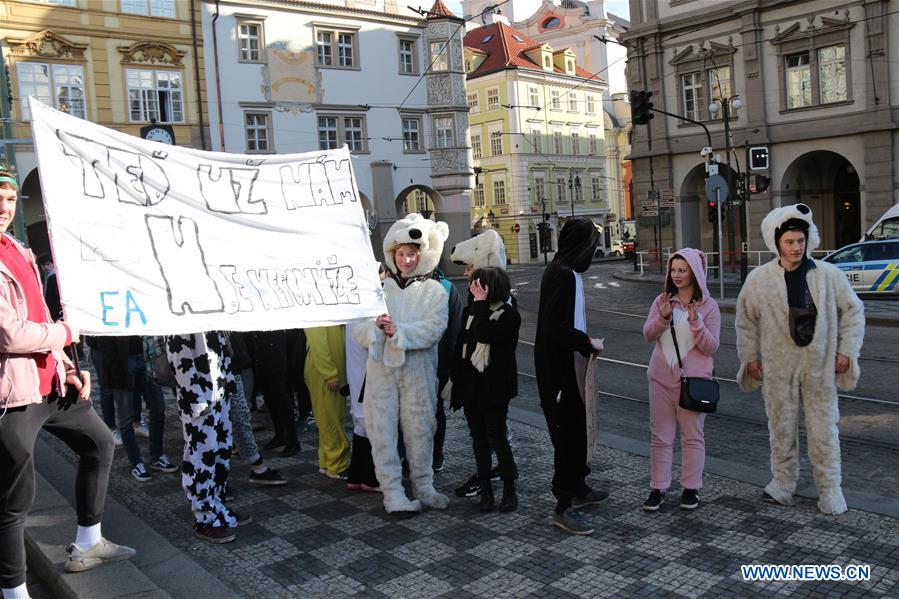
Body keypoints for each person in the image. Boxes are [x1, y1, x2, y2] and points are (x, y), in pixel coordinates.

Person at [0, 169, 135, 599]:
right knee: (14, 498)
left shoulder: (17, 248)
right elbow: (11, 334)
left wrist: (67, 364)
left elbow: (38, 317)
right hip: (12, 394)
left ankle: (89, 542)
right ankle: (15, 592)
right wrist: (64, 335)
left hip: (51, 382)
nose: (3, 209)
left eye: (9, 200)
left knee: (99, 443)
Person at [735, 203, 865, 515]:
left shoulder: (828, 275)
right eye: (789, 242)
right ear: (777, 242)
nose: (796, 247)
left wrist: (847, 350)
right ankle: (782, 483)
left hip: (818, 366)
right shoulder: (759, 279)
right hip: (779, 367)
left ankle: (830, 489)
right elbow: (745, 319)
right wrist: (750, 356)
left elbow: (854, 310)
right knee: (781, 426)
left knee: (824, 429)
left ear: (809, 240)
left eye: (800, 241)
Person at [353, 213, 450, 515]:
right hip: (381, 374)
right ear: (392, 254)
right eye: (401, 254)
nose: (406, 260)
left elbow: (436, 328)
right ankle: (392, 492)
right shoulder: (378, 290)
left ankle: (424, 486)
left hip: (418, 375)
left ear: (422, 255)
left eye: (411, 254)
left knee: (420, 429)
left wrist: (402, 332)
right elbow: (358, 330)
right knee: (381, 431)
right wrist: (375, 329)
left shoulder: (435, 291)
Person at [534, 217, 607, 535]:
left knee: (576, 429)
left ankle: (578, 486)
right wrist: (587, 343)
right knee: (566, 436)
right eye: (592, 244)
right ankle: (563, 505)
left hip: (570, 366)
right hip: (559, 371)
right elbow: (554, 326)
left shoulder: (568, 272)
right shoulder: (562, 275)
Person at [641, 249, 720, 511]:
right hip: (660, 379)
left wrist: (696, 322)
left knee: (692, 436)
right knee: (660, 436)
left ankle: (690, 488)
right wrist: (663, 316)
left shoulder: (709, 306)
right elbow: (648, 334)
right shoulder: (662, 300)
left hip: (694, 383)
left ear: (695, 272)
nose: (677, 275)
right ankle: (658, 487)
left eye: (682, 270)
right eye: (673, 270)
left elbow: (710, 347)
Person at [166, 332, 248, 543]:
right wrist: (194, 398)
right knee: (202, 456)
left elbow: (221, 347)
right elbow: (177, 352)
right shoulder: (180, 315)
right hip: (199, 396)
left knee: (221, 450)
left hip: (219, 390)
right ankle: (204, 517)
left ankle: (217, 507)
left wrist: (228, 383)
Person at [450, 266, 521, 512]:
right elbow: (461, 349)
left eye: (479, 285)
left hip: (495, 388)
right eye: (473, 285)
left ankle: (510, 490)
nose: (473, 289)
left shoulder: (508, 314)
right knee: (479, 441)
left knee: (497, 438)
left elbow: (485, 335)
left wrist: (480, 304)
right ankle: (486, 491)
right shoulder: (470, 312)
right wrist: (456, 385)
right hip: (472, 388)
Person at [305, 325, 350, 478]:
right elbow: (318, 343)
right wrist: (329, 374)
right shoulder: (317, 310)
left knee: (327, 417)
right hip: (324, 373)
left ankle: (328, 461)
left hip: (330, 370)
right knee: (331, 418)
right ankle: (337, 466)